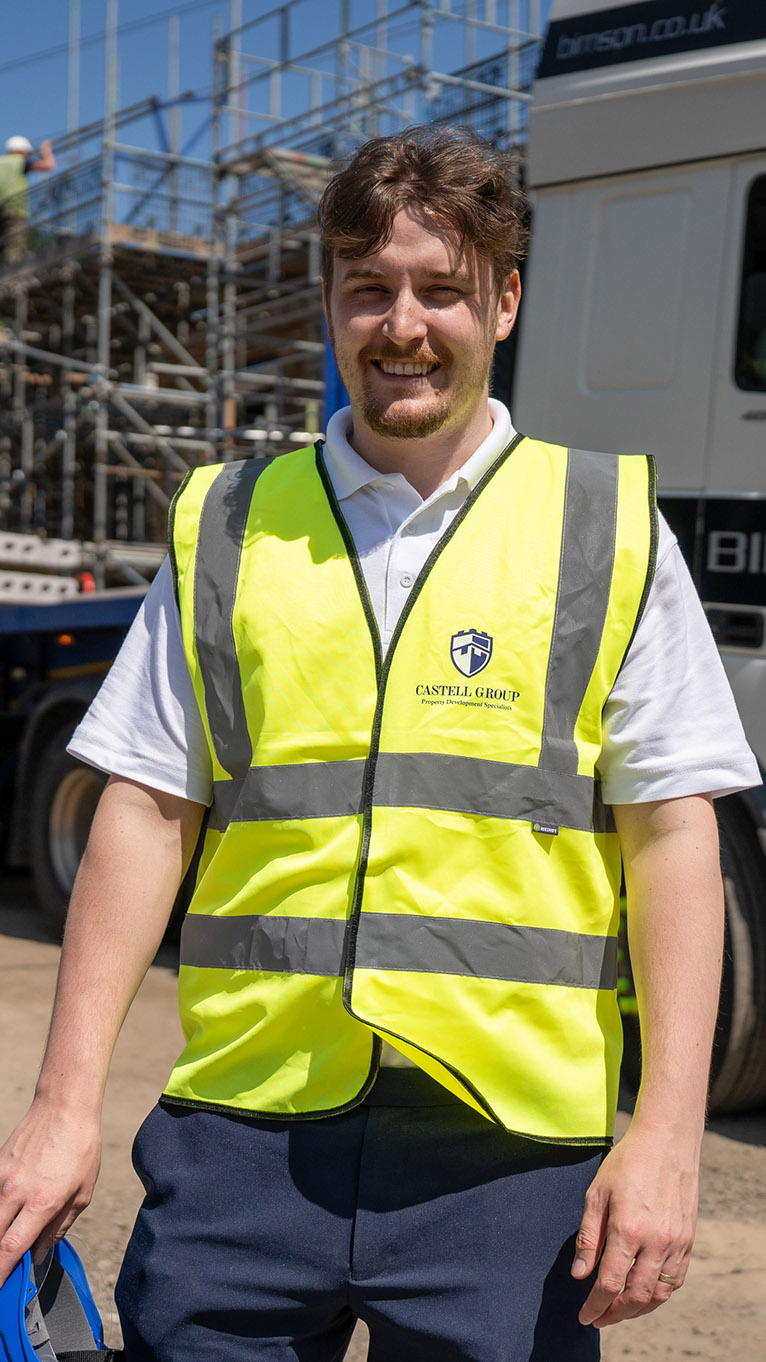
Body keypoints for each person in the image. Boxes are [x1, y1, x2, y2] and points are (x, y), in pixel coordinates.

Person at [0, 126, 759, 1362]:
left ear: (504, 302)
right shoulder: (229, 525)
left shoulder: (604, 525)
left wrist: (666, 1130)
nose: (402, 324)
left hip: (508, 1163)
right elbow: (144, 808)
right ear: (333, 305)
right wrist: (60, 1104)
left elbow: (674, 831)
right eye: (369, 288)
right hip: (244, 1136)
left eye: (441, 289)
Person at [0, 135, 56, 265]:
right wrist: (46, 151)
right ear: (22, 151)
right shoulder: (19, 161)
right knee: (14, 245)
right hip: (15, 210)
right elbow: (49, 165)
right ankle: (11, 276)